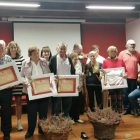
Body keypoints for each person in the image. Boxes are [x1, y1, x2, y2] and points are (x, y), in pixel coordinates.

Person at [21, 46, 50, 139]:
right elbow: (21, 76)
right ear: (30, 55)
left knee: (43, 112)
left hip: (43, 90)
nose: (37, 55)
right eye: (34, 53)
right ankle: (30, 131)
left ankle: (42, 129)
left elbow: (48, 74)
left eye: (37, 53)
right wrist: (24, 81)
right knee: (32, 112)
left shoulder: (44, 61)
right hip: (31, 91)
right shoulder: (25, 63)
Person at [49, 42, 75, 117]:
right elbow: (50, 71)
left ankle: (65, 120)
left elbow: (72, 71)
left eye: (64, 49)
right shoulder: (53, 59)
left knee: (67, 104)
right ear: (57, 49)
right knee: (56, 105)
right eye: (61, 49)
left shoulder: (69, 58)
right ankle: (55, 122)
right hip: (57, 85)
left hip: (68, 85)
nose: (63, 51)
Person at [102, 46, 128, 113]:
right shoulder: (105, 61)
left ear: (116, 52)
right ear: (108, 52)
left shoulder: (121, 60)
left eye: (114, 51)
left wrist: (126, 74)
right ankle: (114, 114)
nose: (113, 53)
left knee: (120, 99)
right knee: (113, 99)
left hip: (120, 83)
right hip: (111, 84)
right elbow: (103, 73)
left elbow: (126, 71)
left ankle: (119, 115)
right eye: (111, 51)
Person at [6, 41, 25, 131]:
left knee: (18, 102)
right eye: (12, 47)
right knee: (7, 104)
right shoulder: (6, 58)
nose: (14, 49)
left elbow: (23, 71)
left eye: (15, 47)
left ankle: (19, 123)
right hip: (8, 85)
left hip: (19, 84)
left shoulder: (21, 58)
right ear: (9, 49)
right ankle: (8, 124)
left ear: (17, 49)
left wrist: (18, 80)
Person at [119, 39, 140, 115]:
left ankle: (132, 109)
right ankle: (126, 109)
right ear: (127, 45)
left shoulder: (137, 53)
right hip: (125, 78)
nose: (132, 46)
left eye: (134, 44)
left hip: (134, 78)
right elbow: (119, 65)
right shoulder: (122, 53)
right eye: (131, 44)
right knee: (125, 94)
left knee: (132, 95)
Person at [0, 40, 13, 140]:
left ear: (5, 48)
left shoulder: (8, 58)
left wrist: (11, 83)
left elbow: (13, 73)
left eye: (1, 47)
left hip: (6, 89)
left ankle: (6, 132)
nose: (0, 48)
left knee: (6, 111)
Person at [69, 52, 84, 123]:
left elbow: (80, 76)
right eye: (75, 59)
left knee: (78, 102)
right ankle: (71, 118)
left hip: (78, 87)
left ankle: (77, 117)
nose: (76, 61)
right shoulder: (68, 66)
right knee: (71, 103)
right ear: (71, 59)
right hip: (71, 87)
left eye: (77, 59)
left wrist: (81, 86)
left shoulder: (79, 65)